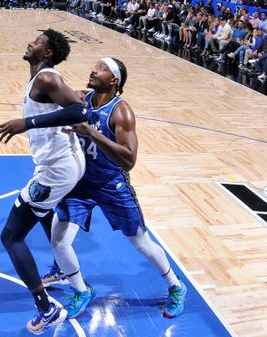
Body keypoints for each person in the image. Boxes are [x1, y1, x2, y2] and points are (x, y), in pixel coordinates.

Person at [43, 57, 188, 319]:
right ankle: (80, 289)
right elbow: (53, 88)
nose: (92, 69)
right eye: (94, 65)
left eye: (100, 68)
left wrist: (93, 134)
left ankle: (176, 287)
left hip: (112, 184)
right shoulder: (82, 99)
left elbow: (129, 160)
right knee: (59, 241)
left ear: (113, 80)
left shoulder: (122, 112)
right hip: (82, 183)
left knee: (141, 243)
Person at [0, 29, 87, 336]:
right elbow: (72, 101)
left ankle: (46, 308)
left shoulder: (47, 78)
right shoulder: (45, 78)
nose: (31, 42)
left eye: (38, 41)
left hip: (56, 170)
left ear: (46, 53)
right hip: (65, 163)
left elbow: (79, 110)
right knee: (43, 211)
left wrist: (26, 123)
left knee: (11, 236)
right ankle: (61, 267)